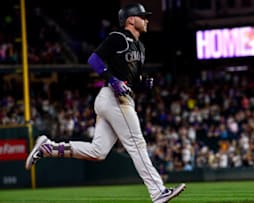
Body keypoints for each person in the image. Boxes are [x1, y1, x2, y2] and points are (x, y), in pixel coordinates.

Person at [25, 3, 186, 203]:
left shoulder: (140, 47)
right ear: (130, 20)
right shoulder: (118, 37)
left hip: (117, 99)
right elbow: (94, 60)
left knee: (98, 152)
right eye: (142, 16)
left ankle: (49, 148)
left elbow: (132, 79)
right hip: (113, 98)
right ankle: (158, 191)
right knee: (137, 143)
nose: (146, 20)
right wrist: (112, 79)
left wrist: (143, 83)